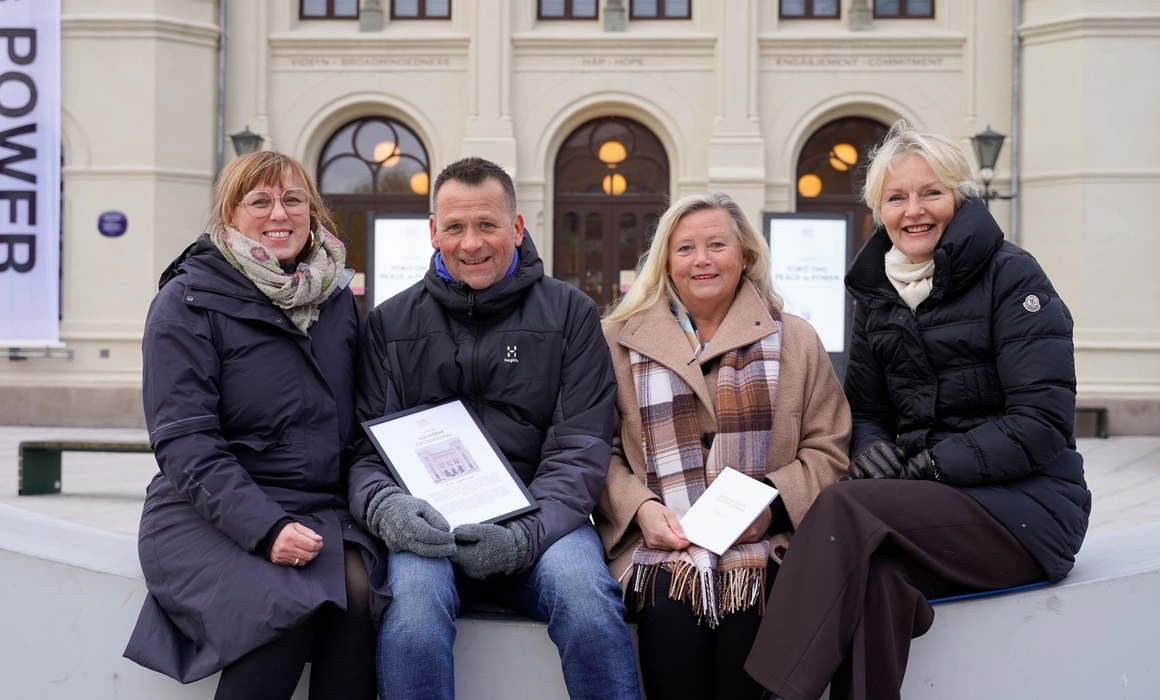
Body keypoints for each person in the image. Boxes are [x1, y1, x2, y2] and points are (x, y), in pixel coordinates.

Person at [743, 122, 1091, 700]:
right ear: (879, 210)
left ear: (958, 196)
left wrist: (929, 465)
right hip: (934, 506)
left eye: (930, 192)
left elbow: (1042, 423)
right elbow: (870, 410)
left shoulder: (1011, 275)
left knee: (844, 506)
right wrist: (871, 452)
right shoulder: (878, 293)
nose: (914, 211)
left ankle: (774, 695)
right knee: (877, 581)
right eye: (896, 198)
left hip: (1029, 510)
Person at [347, 156, 642, 700]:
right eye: (455, 227)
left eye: (487, 225)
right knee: (409, 619)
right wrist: (387, 509)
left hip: (541, 523)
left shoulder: (571, 314)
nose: (471, 243)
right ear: (433, 232)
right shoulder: (390, 322)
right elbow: (365, 451)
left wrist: (521, 538)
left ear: (517, 227)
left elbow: (580, 447)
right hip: (430, 528)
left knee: (589, 602)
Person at [124, 151, 385, 700]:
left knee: (360, 597)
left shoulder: (335, 299)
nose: (279, 215)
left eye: (293, 200)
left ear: (312, 212)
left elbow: (364, 419)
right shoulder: (186, 300)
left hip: (318, 504)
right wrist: (265, 528)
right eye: (260, 201)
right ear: (229, 217)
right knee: (280, 611)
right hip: (209, 510)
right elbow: (184, 441)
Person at [594, 192, 851, 700]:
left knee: (748, 619)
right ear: (667, 261)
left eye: (717, 244)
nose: (702, 260)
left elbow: (829, 448)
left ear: (746, 255)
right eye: (685, 248)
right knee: (669, 616)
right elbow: (596, 451)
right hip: (659, 548)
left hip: (765, 550)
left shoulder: (796, 339)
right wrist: (641, 509)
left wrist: (771, 509)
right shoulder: (617, 341)